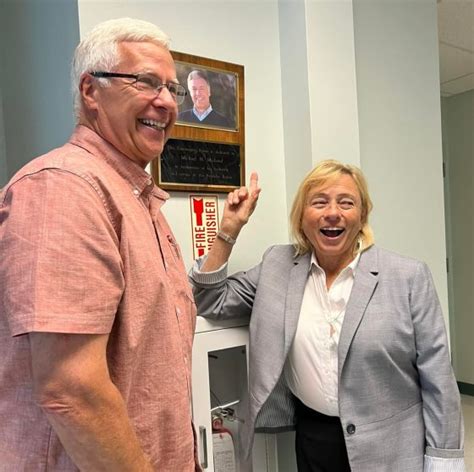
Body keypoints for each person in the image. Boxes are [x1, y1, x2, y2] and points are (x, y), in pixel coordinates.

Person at [0, 18, 199, 471]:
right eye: (146, 81)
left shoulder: (137, 200)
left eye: (173, 88)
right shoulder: (64, 188)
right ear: (91, 91)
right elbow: (72, 391)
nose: (166, 101)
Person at [189, 160, 466, 472]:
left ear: (362, 215)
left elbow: (439, 379)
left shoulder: (408, 277)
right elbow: (208, 299)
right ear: (302, 217)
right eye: (319, 202)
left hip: (391, 448)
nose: (332, 212)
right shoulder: (277, 266)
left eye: (346, 202)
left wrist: (444, 460)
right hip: (314, 438)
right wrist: (229, 230)